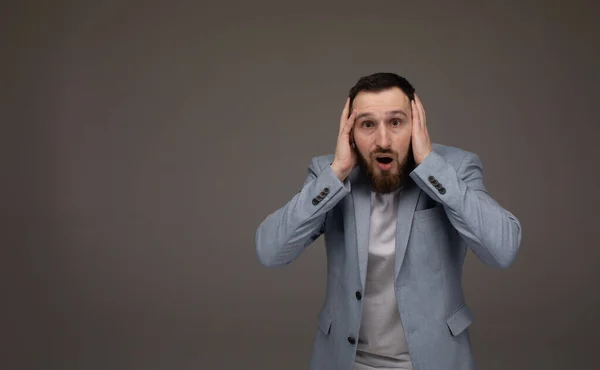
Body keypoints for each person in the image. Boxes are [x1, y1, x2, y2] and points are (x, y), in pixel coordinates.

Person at [255, 72, 522, 370]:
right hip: (344, 361)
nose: (383, 140)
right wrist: (337, 172)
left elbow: (502, 251)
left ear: (416, 123)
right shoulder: (328, 173)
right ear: (349, 132)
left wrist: (431, 165)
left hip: (434, 361)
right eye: (367, 124)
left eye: (396, 122)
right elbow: (270, 252)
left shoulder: (455, 168)